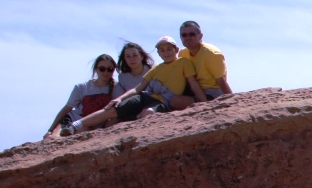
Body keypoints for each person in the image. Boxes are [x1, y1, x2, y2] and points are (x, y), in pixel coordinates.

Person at [62, 36, 204, 135]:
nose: (166, 52)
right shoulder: (157, 69)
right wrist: (119, 99)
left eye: (169, 49)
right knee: (113, 109)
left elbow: (193, 83)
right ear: (158, 52)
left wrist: (205, 103)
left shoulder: (183, 63)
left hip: (163, 102)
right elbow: (138, 88)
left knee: (148, 114)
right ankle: (76, 126)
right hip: (145, 97)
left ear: (176, 49)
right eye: (162, 50)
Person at [44, 54, 117, 140]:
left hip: (92, 126)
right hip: (71, 121)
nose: (106, 72)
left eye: (110, 69)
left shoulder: (117, 88)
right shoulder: (82, 87)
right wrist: (50, 129)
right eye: (102, 69)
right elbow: (67, 109)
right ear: (96, 69)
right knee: (52, 139)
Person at [178, 20, 231, 101]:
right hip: (193, 89)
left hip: (212, 91)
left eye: (192, 34)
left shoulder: (211, 53)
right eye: (184, 35)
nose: (188, 37)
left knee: (176, 102)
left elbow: (221, 81)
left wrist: (231, 101)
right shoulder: (182, 53)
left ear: (200, 36)